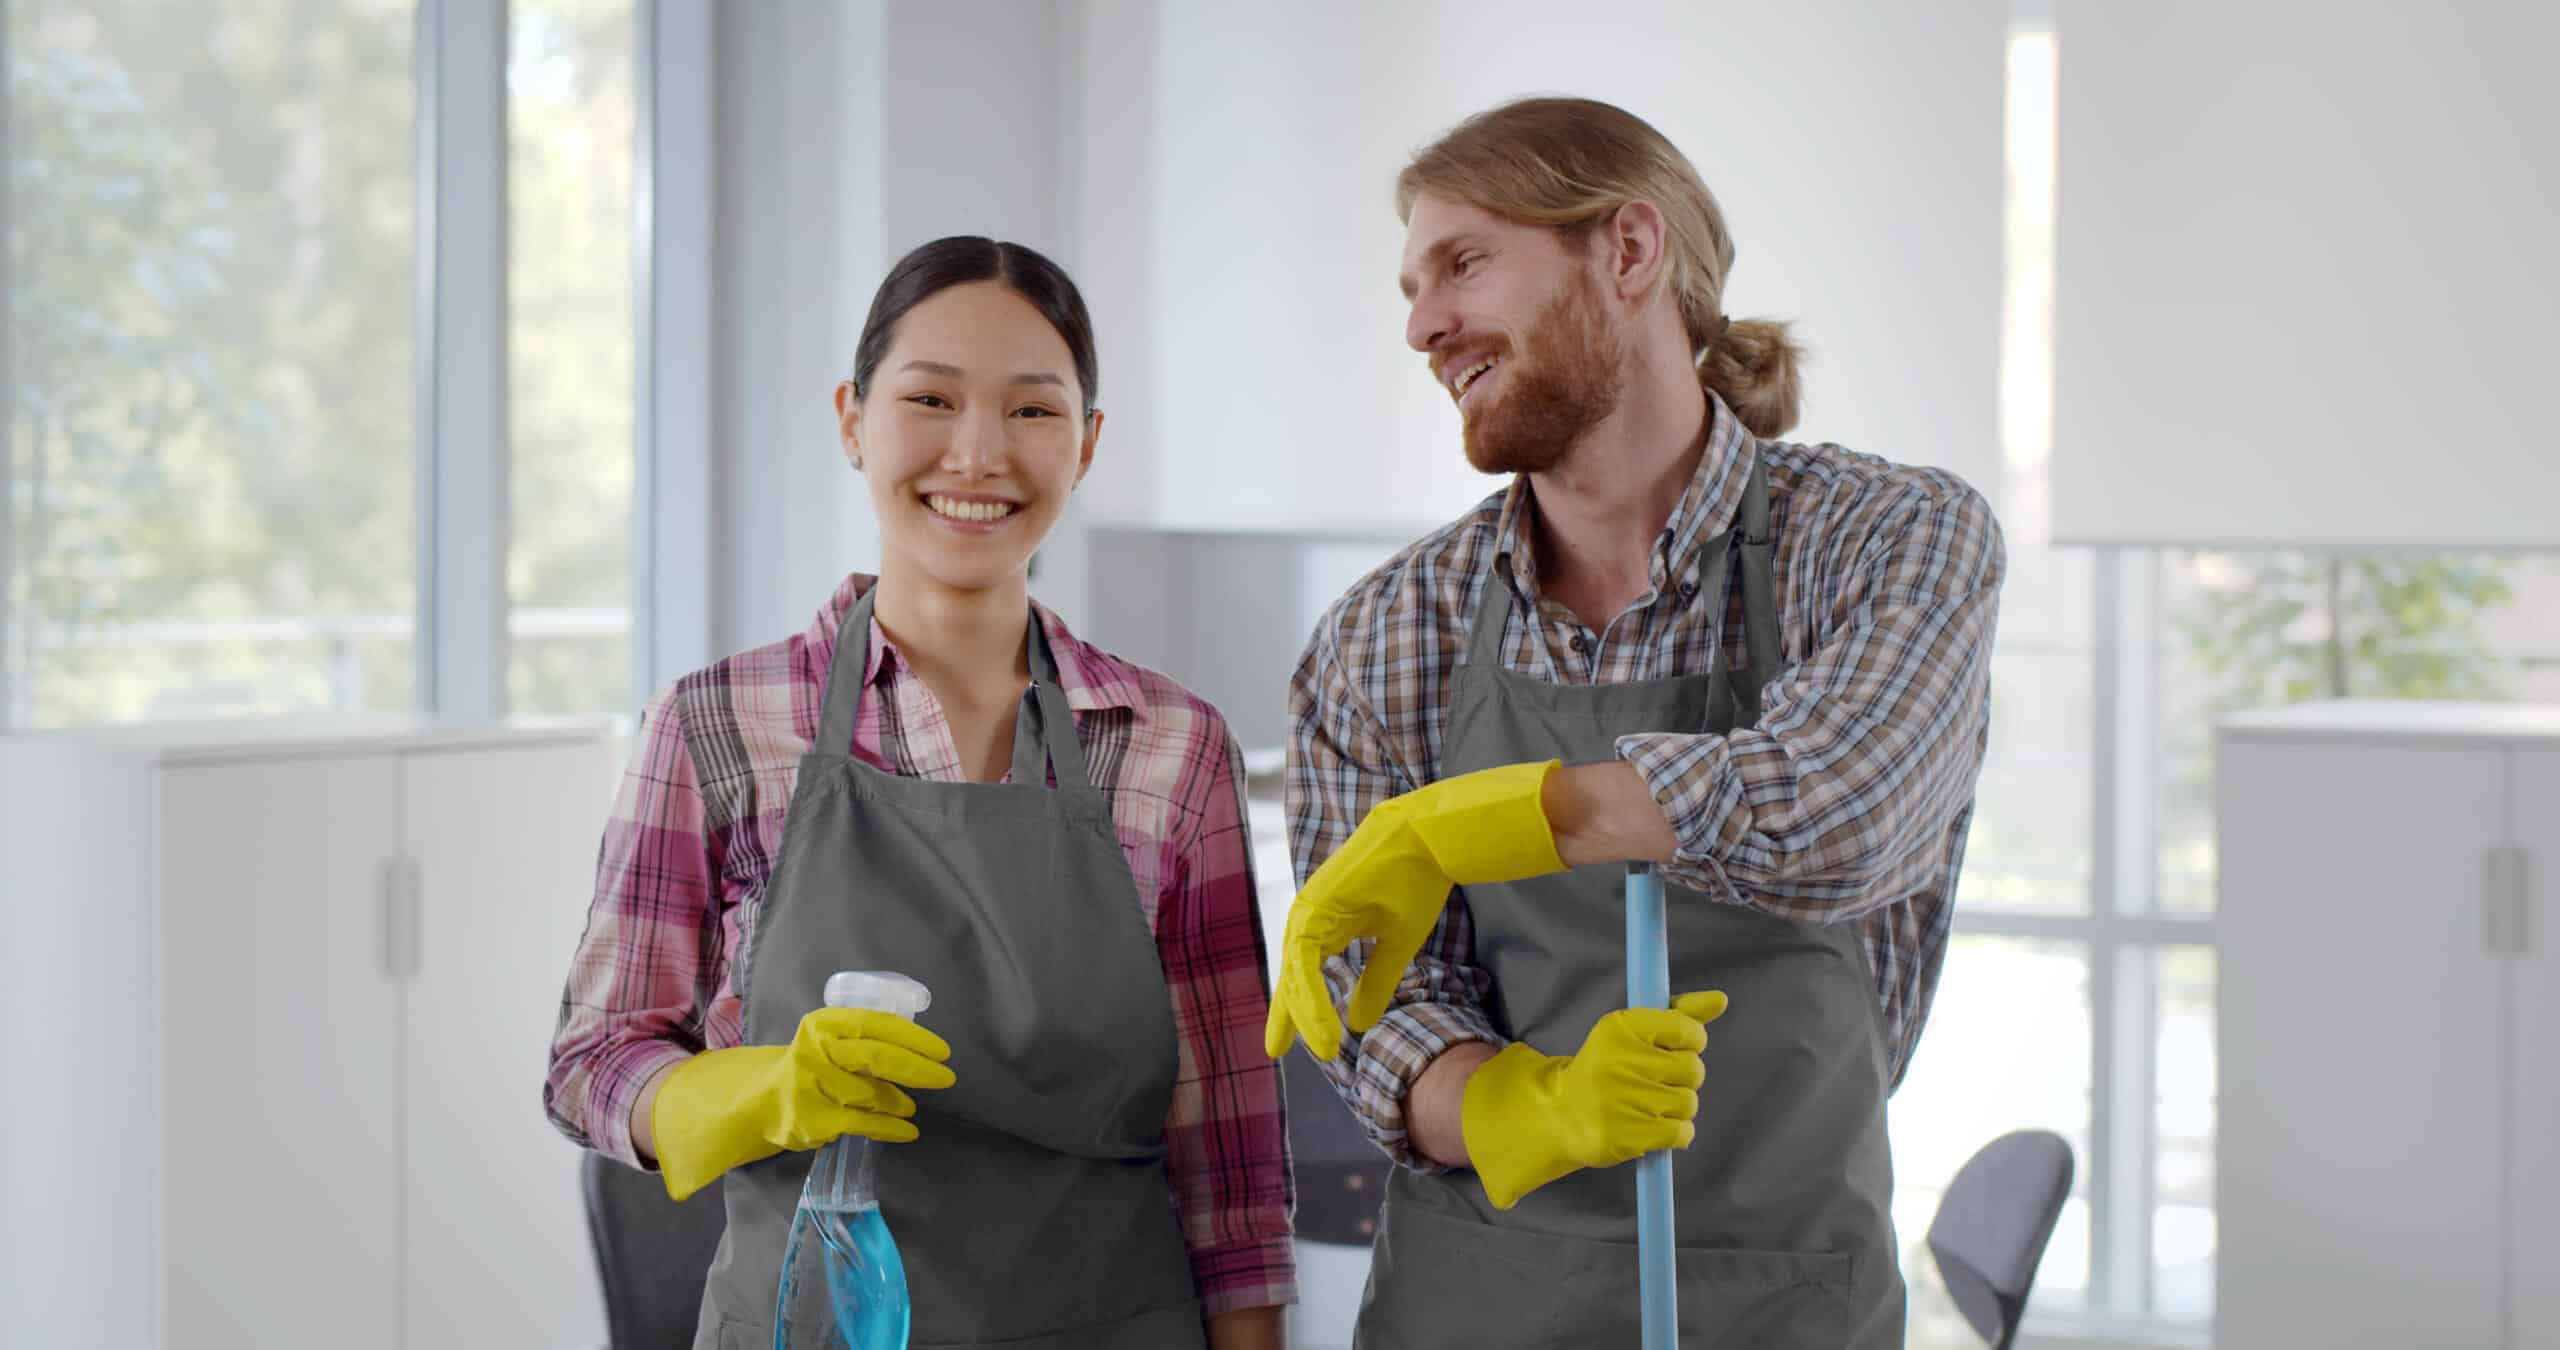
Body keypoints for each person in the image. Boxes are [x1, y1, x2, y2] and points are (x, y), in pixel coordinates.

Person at [1265, 97, 2005, 1348]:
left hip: (1782, 1304)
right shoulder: (1385, 635)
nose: (1421, 325)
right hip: (1477, 1306)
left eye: (1463, 263)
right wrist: (1516, 1106)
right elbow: (1373, 1005)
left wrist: (1504, 817)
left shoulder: (1883, 542)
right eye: (1411, 285)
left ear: (1627, 251)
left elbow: (1840, 810)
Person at [546, 236, 1293, 1350]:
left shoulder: (1169, 745)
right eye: (930, 399)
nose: (978, 453)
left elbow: (1228, 1143)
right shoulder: (713, 725)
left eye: (1033, 413)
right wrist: (754, 1093)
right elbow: (593, 1062)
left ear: (1086, 446)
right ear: (853, 418)